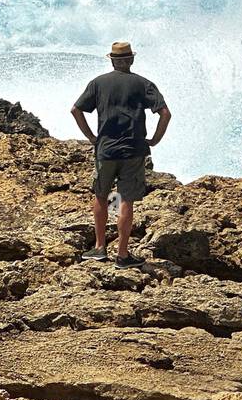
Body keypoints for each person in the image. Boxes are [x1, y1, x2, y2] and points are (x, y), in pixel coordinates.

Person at [70, 41, 172, 267]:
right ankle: (123, 255)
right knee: (125, 199)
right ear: (131, 60)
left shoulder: (98, 83)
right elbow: (165, 113)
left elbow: (76, 110)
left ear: (113, 60)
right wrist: (155, 140)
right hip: (133, 151)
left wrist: (92, 137)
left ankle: (99, 248)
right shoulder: (143, 84)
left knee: (101, 195)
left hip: (105, 150)